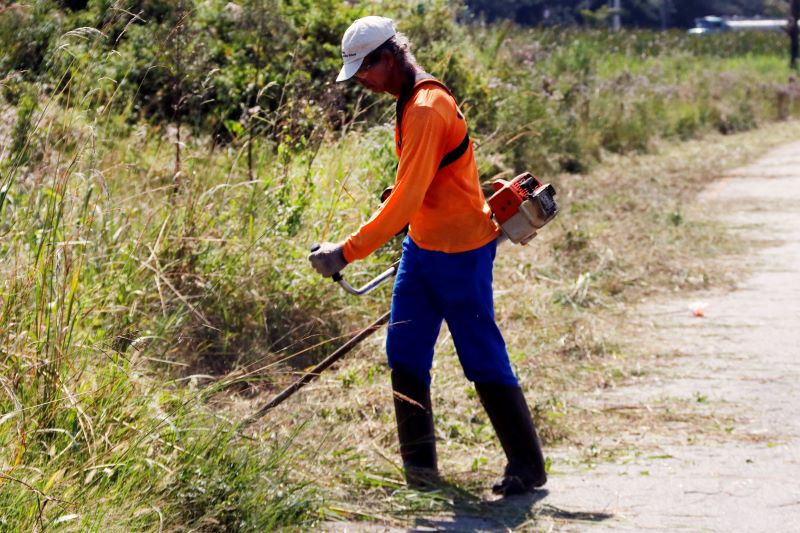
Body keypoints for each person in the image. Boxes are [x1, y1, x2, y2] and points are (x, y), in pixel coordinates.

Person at [308, 15, 547, 496]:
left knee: (480, 356)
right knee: (405, 353)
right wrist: (401, 200)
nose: (360, 81)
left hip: (461, 254)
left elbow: (405, 202)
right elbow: (417, 188)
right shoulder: (409, 100)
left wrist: (344, 254)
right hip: (422, 250)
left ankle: (527, 466)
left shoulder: (424, 108)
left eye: (364, 70)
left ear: (390, 57)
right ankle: (420, 472)